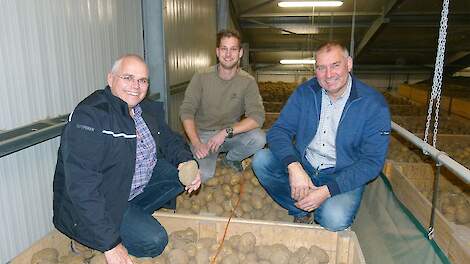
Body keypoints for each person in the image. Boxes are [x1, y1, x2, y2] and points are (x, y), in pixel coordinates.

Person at [53, 54, 201, 264]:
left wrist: (187, 161)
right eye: (128, 77)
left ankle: (129, 219)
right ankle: (89, 237)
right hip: (105, 200)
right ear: (111, 78)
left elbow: (169, 139)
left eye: (142, 80)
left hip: (129, 188)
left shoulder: (144, 109)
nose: (136, 86)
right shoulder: (90, 117)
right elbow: (81, 186)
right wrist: (110, 244)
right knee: (155, 241)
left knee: (178, 175)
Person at [252, 42, 391, 231]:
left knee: (334, 219)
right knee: (262, 160)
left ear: (348, 64)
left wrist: (327, 191)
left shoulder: (373, 105)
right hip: (307, 164)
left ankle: (319, 204)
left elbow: (372, 162)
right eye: (321, 68)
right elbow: (279, 130)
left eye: (335, 65)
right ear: (315, 69)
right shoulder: (306, 92)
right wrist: (294, 167)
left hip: (342, 172)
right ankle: (301, 210)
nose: (328, 75)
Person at [179, 29, 266, 182]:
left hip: (229, 135)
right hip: (204, 135)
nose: (228, 54)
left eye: (233, 49)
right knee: (203, 176)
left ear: (240, 53)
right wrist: (196, 142)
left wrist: (226, 132)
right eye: (224, 49)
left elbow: (257, 117)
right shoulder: (201, 77)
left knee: (259, 138)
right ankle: (203, 156)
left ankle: (231, 158)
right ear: (217, 52)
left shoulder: (248, 81)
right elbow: (186, 112)